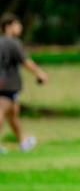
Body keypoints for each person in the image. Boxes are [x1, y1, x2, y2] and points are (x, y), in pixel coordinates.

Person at [0, 13, 49, 154]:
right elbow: (26, 62)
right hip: (7, 83)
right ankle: (22, 141)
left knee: (13, 112)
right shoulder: (13, 43)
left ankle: (23, 141)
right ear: (8, 27)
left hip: (5, 83)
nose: (20, 27)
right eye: (17, 24)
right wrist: (40, 74)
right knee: (2, 111)